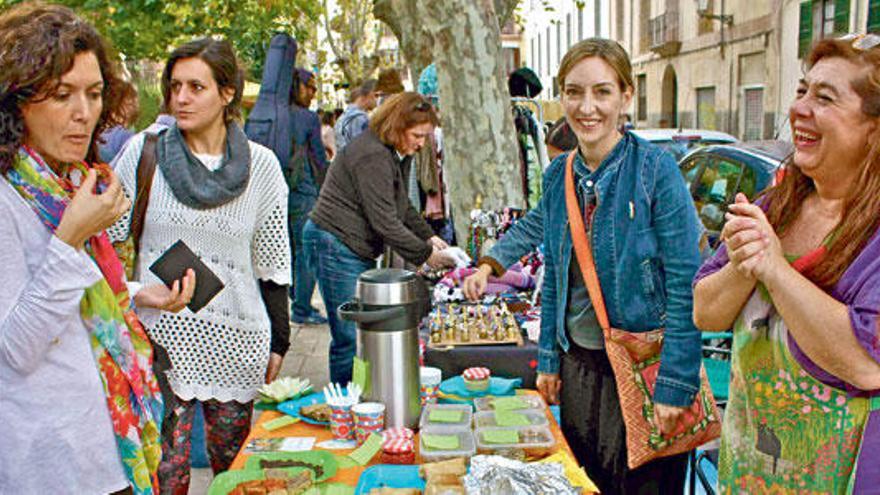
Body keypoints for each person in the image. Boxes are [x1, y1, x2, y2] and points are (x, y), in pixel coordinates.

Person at [462, 39, 703, 494]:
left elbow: (686, 284)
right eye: (574, 92)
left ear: (626, 96)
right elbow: (555, 273)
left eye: (602, 92)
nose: (586, 107)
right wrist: (549, 360)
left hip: (642, 371)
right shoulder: (559, 176)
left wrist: (676, 383)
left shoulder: (656, 170)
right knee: (583, 482)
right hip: (580, 372)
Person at [0, 4, 194, 494]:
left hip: (109, 444)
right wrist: (70, 238)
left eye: (93, 93)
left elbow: (77, 306)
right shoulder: (9, 197)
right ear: (15, 100)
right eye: (61, 95)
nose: (83, 113)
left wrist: (137, 294)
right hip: (51, 464)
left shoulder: (62, 183)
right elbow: (14, 349)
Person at [692, 34, 880, 492]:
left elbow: (864, 363)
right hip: (747, 471)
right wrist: (744, 264)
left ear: (873, 129)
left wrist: (775, 269)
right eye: (802, 91)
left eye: (825, 97)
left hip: (839, 477)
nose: (799, 109)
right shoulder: (775, 205)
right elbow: (705, 311)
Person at [109, 38, 291, 493]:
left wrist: (280, 341)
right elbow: (100, 242)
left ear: (227, 93)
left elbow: (273, 263)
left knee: (238, 476)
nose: (181, 98)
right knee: (163, 476)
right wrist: (134, 292)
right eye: (175, 87)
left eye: (196, 87)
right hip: (159, 342)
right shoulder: (143, 152)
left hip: (237, 342)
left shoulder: (263, 168)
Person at [305, 92, 454, 384]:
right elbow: (385, 221)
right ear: (398, 126)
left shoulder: (390, 152)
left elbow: (402, 206)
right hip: (335, 243)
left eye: (425, 136)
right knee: (349, 335)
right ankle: (346, 407)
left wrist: (430, 238)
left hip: (346, 244)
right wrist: (426, 254)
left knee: (357, 333)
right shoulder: (373, 155)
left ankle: (358, 399)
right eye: (417, 136)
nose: (421, 144)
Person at [288, 68, 329, 325]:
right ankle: (302, 308)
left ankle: (296, 298)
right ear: (298, 86)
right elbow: (318, 159)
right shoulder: (307, 118)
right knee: (307, 251)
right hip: (304, 191)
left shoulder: (273, 114)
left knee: (290, 250)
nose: (313, 93)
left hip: (278, 193)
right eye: (310, 87)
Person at [334, 78, 378, 153]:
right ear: (369, 95)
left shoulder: (342, 118)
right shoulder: (360, 118)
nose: (377, 100)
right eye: (376, 96)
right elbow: (362, 150)